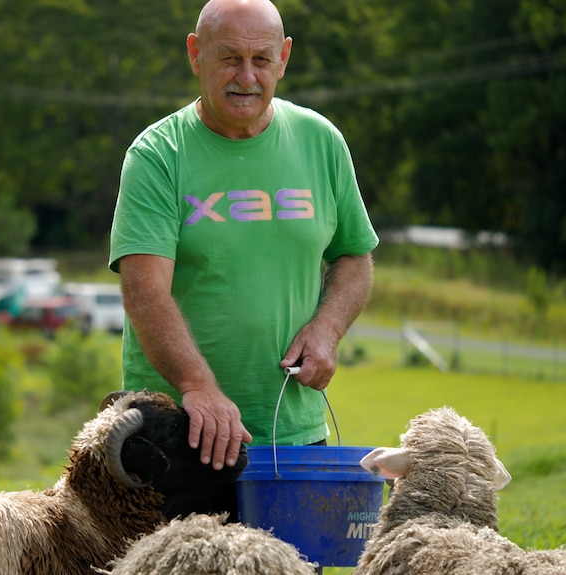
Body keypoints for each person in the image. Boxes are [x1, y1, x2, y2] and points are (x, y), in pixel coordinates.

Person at [109, 0, 378, 520]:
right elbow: (145, 291)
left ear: (285, 57)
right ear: (195, 53)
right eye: (229, 58)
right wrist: (198, 386)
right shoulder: (157, 155)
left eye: (261, 59)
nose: (247, 76)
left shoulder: (321, 141)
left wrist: (327, 329)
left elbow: (353, 256)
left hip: (292, 439)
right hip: (177, 439)